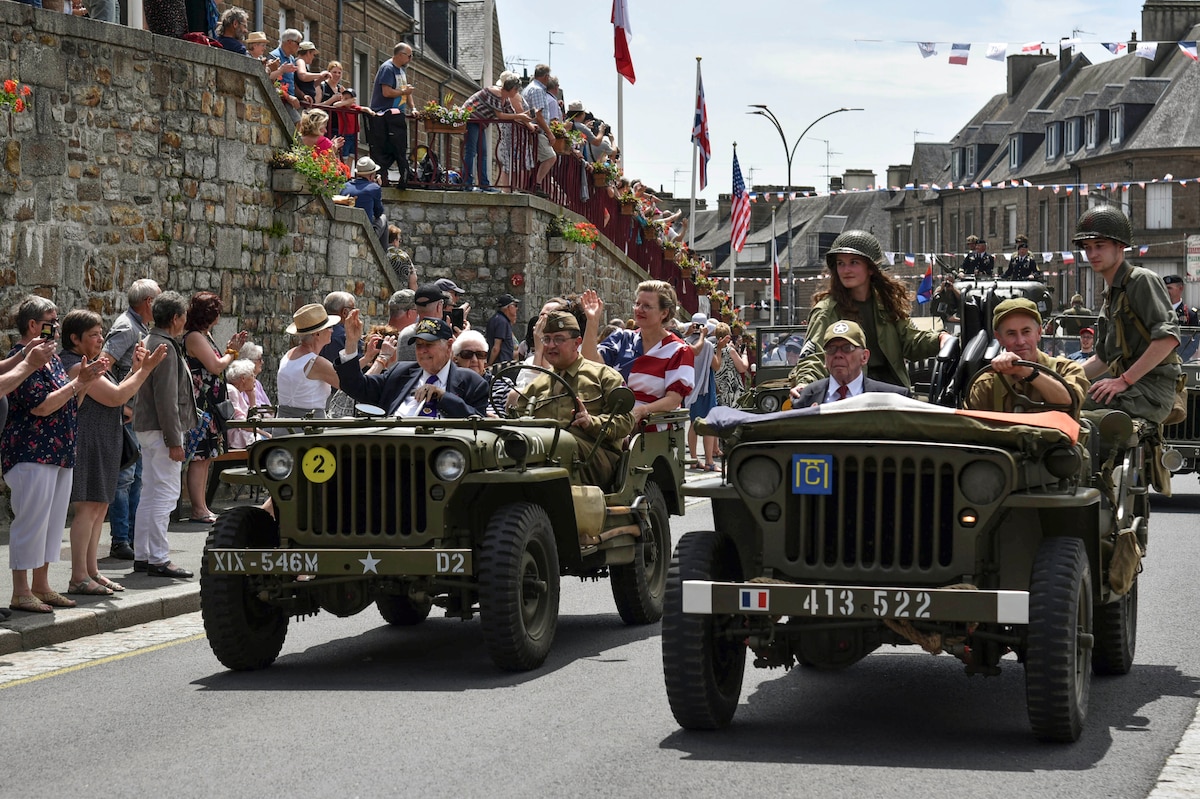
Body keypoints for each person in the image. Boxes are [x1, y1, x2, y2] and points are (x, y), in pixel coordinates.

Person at [4, 297, 104, 613]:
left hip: (58, 450)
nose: (56, 325)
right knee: (31, 521)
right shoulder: (20, 360)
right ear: (32, 325)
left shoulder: (51, 360)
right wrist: (78, 384)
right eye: (50, 320)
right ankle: (21, 590)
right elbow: (41, 405)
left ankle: (42, 586)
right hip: (31, 450)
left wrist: (83, 383)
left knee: (52, 523)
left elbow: (69, 405)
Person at [60, 310, 167, 596]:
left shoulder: (93, 363)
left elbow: (118, 389)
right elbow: (117, 396)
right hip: (88, 441)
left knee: (100, 507)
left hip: (104, 439)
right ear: (74, 338)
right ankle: (78, 576)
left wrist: (134, 369)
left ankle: (92, 571)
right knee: (87, 507)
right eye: (93, 335)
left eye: (100, 334)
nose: (100, 340)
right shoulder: (74, 365)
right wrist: (145, 371)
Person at [788, 229, 948, 399]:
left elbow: (910, 341)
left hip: (891, 391)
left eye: (854, 262)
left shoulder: (886, 303)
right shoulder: (827, 310)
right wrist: (805, 383)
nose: (846, 270)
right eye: (840, 263)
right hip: (850, 393)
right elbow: (813, 355)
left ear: (871, 268)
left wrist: (940, 339)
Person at [1075, 206, 1182, 424]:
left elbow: (1168, 338)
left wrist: (1124, 380)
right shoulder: (1112, 294)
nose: (1092, 254)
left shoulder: (1141, 280)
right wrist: (1063, 376)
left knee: (1074, 417)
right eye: (1087, 247)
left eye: (1100, 246)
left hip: (1150, 393)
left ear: (1120, 246)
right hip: (1132, 390)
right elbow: (1102, 359)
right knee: (1061, 400)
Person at [510, 311, 634, 486]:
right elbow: (518, 419)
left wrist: (591, 422)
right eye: (546, 339)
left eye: (559, 339)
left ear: (577, 343)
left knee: (560, 444)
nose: (551, 345)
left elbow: (626, 421)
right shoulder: (537, 386)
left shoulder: (603, 376)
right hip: (546, 458)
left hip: (596, 458)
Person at [132, 291, 196, 579]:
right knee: (166, 496)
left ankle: (143, 555)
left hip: (147, 427)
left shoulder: (149, 340)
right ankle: (158, 557)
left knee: (150, 493)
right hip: (162, 430)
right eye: (183, 316)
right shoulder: (165, 347)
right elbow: (167, 398)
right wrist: (175, 440)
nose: (185, 321)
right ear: (175, 318)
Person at [580, 281, 696, 427]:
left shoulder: (678, 350)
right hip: (608, 421)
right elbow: (590, 363)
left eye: (646, 306)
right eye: (637, 304)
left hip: (649, 432)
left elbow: (673, 400)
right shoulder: (622, 338)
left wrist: (642, 411)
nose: (639, 309)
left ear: (664, 313)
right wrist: (592, 321)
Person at [101, 277, 161, 561]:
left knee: (136, 479)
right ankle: (121, 539)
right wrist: (122, 407)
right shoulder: (127, 327)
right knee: (125, 479)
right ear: (149, 302)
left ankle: (133, 537)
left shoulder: (138, 326)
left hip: (133, 416)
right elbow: (104, 366)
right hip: (125, 417)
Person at [335, 314, 488, 418]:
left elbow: (477, 422)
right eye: (419, 345)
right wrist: (351, 344)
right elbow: (356, 387)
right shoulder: (400, 372)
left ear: (449, 346)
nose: (422, 351)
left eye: (429, 344)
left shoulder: (472, 382)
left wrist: (441, 396)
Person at [183, 291, 247, 524]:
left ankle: (202, 506)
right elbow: (216, 366)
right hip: (202, 406)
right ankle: (198, 508)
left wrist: (231, 350)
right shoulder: (195, 337)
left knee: (207, 457)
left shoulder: (203, 335)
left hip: (210, 405)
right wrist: (231, 352)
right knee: (200, 457)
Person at [964, 299, 1088, 415]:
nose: (1020, 341)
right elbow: (970, 428)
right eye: (1011, 333)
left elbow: (1070, 403)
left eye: (1026, 332)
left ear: (1039, 332)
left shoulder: (1066, 369)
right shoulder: (987, 384)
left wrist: (1026, 371)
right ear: (999, 338)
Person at [793, 321, 912, 406]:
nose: (838, 354)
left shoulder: (893, 398)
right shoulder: (807, 397)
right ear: (825, 359)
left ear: (864, 357)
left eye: (847, 348)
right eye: (831, 349)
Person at [460, 76, 528, 192]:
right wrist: (520, 116)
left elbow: (511, 115)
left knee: (483, 153)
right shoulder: (496, 93)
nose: (517, 93)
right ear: (511, 88)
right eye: (516, 90)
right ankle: (467, 183)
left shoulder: (505, 99)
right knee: (471, 151)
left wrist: (529, 123)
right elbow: (501, 115)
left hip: (479, 123)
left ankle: (484, 184)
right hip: (471, 119)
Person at [277, 303, 342, 422]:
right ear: (317, 334)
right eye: (329, 327)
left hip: (283, 427)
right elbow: (351, 385)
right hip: (308, 431)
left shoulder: (289, 354)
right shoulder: (316, 363)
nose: (332, 331)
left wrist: (367, 358)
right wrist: (380, 361)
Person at [368, 43, 415, 189]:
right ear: (400, 55)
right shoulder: (388, 68)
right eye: (409, 56)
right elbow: (386, 92)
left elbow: (406, 91)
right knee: (383, 149)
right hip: (384, 114)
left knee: (399, 148)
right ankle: (382, 177)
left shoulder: (401, 71)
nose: (410, 59)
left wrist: (413, 108)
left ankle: (402, 177)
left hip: (396, 114)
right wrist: (403, 93)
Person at [683, 314, 719, 471]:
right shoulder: (709, 346)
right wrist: (721, 350)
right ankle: (709, 461)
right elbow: (716, 366)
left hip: (690, 388)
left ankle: (693, 459)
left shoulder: (685, 343)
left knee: (692, 424)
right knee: (708, 424)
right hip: (705, 387)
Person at [519, 64, 559, 192]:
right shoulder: (537, 90)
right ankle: (536, 185)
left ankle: (528, 185)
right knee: (550, 157)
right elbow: (538, 114)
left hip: (531, 129)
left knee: (532, 160)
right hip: (537, 131)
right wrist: (550, 133)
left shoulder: (529, 88)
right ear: (546, 77)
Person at [452, 329, 508, 414]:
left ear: (485, 359)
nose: (474, 360)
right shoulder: (447, 384)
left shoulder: (503, 384)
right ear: (455, 359)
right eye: (467, 354)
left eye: (480, 355)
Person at [316, 60, 360, 164]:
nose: (337, 75)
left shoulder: (341, 89)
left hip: (340, 126)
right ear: (329, 72)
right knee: (327, 152)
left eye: (339, 73)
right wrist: (331, 100)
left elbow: (349, 104)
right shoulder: (322, 87)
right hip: (326, 126)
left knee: (340, 154)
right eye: (334, 72)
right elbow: (316, 107)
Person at [342, 156, 387, 249]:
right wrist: (377, 187)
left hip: (345, 230)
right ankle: (384, 254)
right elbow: (379, 213)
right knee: (383, 218)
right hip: (365, 233)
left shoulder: (345, 186)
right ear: (371, 176)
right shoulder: (374, 188)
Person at [225, 359, 270, 450]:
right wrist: (265, 434)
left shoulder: (236, 391)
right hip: (236, 437)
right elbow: (241, 423)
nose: (255, 380)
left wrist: (251, 397)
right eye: (252, 376)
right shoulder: (231, 391)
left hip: (242, 433)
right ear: (243, 378)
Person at [270, 29, 304, 123]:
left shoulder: (291, 58)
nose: (299, 46)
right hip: (282, 100)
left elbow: (291, 81)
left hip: (290, 100)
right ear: (289, 42)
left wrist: (302, 95)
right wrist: (288, 97)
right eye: (297, 43)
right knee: (298, 124)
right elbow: (271, 81)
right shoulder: (275, 56)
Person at [713, 322, 748, 409]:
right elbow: (742, 368)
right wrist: (744, 354)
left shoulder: (712, 349)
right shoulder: (730, 351)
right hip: (731, 390)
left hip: (717, 390)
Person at [486, 293, 520, 366]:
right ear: (508, 307)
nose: (517, 308)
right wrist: (489, 364)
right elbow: (496, 347)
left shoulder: (496, 319)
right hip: (501, 365)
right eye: (515, 305)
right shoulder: (502, 322)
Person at [293, 41, 330, 108]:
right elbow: (302, 76)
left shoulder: (301, 63)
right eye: (313, 54)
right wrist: (320, 75)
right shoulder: (300, 61)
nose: (313, 57)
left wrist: (320, 79)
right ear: (308, 53)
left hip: (306, 102)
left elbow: (309, 85)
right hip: (302, 103)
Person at [387, 225, 418, 290]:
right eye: (399, 240)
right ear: (395, 241)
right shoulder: (403, 256)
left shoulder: (383, 252)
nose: (399, 243)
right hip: (402, 292)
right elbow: (413, 279)